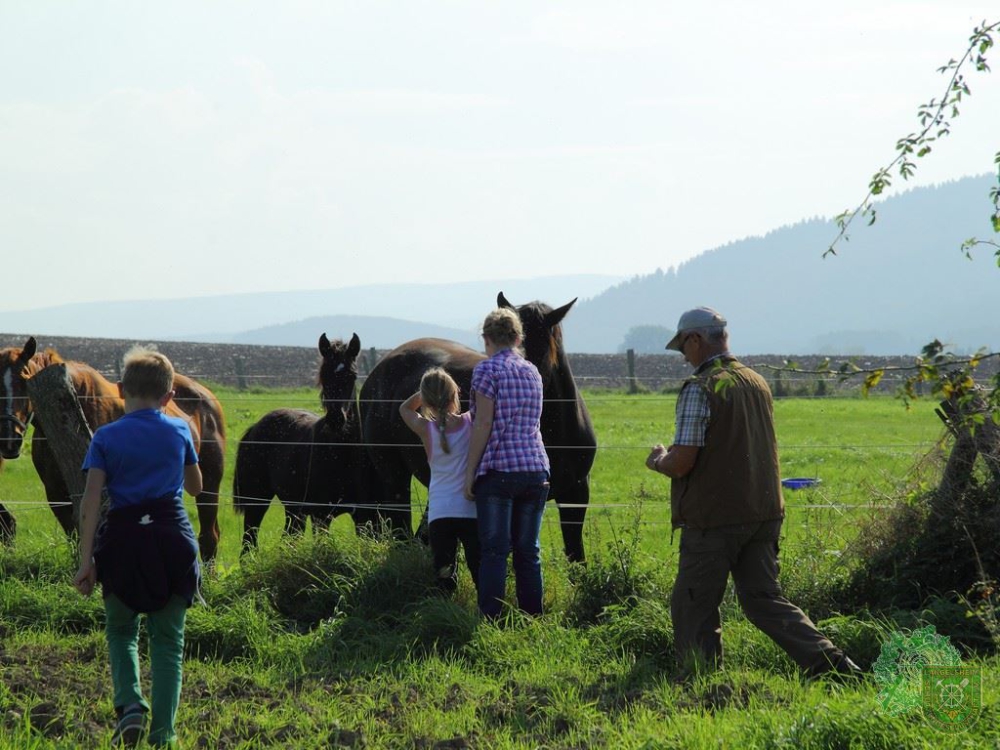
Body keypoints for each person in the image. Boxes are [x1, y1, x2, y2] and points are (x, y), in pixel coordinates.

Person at [646, 307, 861, 679]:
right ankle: (835, 666)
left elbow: (682, 462)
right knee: (764, 600)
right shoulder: (756, 381)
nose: (683, 355)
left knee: (692, 604)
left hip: (713, 518)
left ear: (696, 339)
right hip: (763, 513)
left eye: (683, 345)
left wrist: (658, 460)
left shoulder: (700, 387)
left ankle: (700, 681)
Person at [74, 346, 203, 748]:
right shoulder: (179, 430)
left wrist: (86, 559)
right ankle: (163, 736)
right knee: (168, 643)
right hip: (171, 540)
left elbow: (91, 500)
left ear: (120, 389)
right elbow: (196, 487)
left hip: (121, 542)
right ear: (169, 397)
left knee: (121, 630)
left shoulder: (106, 438)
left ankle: (130, 703)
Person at [464, 307, 550, 620]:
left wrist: (470, 471)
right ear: (517, 337)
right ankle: (532, 619)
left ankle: (491, 620)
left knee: (495, 551)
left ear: (486, 338)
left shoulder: (486, 371)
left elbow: (483, 423)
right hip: (535, 467)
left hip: (499, 470)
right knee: (529, 552)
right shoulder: (533, 371)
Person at [399, 367, 480, 594]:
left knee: (444, 574)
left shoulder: (426, 429)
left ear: (426, 400)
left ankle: (443, 618)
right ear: (455, 394)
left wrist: (424, 394)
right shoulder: (470, 422)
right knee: (479, 570)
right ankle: (487, 617)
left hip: (439, 514)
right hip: (470, 511)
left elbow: (404, 409)